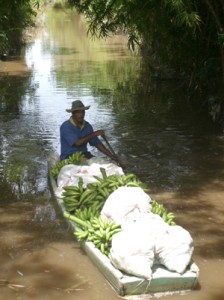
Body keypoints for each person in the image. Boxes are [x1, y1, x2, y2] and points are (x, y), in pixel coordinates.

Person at [60, 100, 121, 165]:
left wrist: (112, 156)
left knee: (102, 165)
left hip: (84, 155)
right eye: (78, 112)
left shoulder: (87, 126)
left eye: (83, 112)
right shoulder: (66, 126)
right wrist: (95, 134)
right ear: (73, 113)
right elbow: (77, 143)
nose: (81, 115)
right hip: (68, 156)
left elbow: (97, 144)